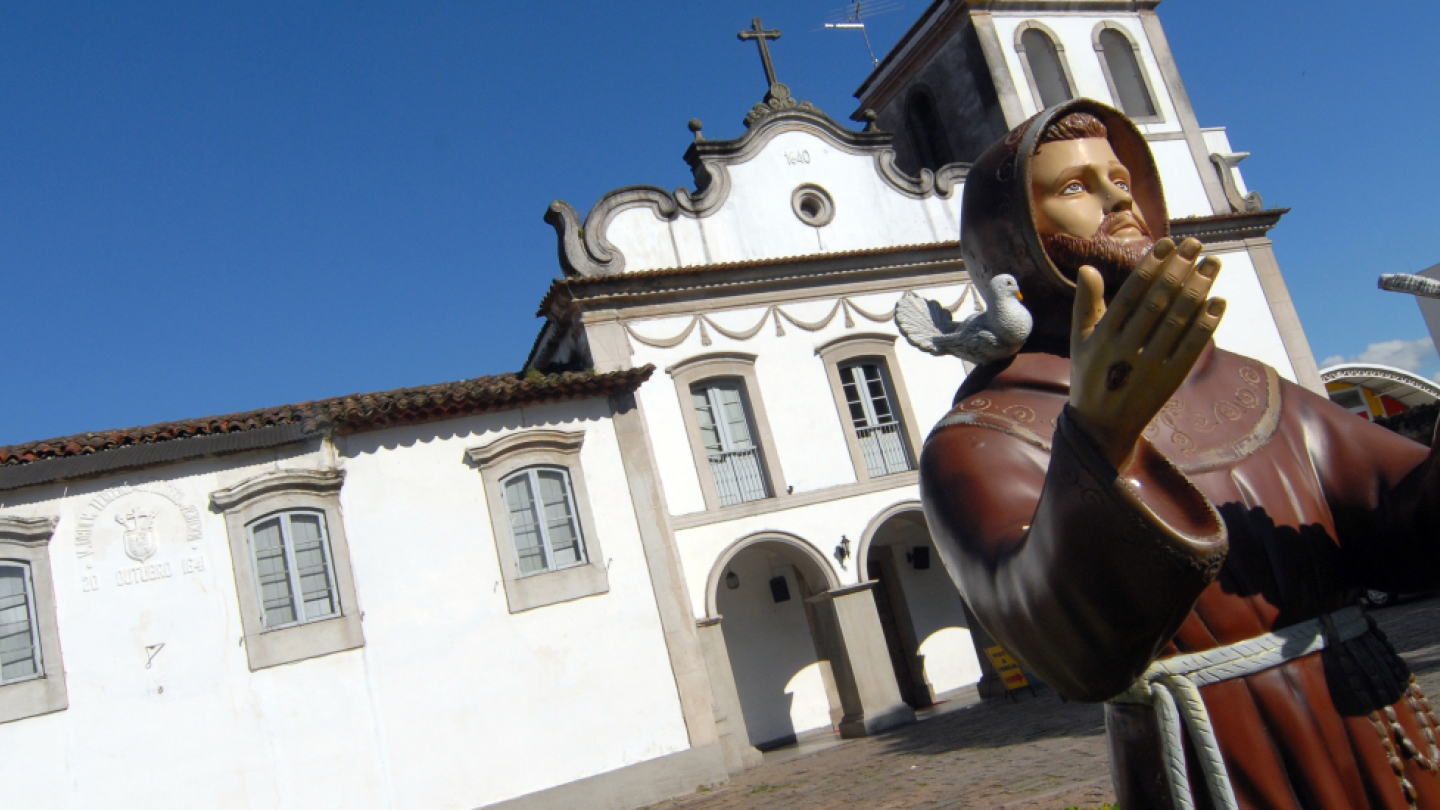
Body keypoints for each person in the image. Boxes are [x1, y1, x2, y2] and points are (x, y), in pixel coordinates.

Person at [917, 98, 1440, 808]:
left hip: (1373, 725)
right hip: (1216, 754)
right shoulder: (983, 434)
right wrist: (1099, 440)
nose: (1117, 198)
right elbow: (1066, 646)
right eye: (1074, 187)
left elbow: (1411, 531)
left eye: (1122, 178)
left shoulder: (1251, 385)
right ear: (1013, 238)